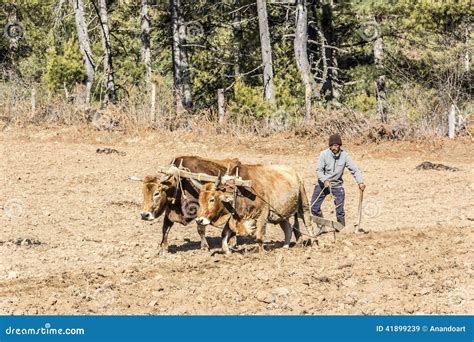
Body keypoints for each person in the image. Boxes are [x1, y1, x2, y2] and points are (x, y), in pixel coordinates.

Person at [310, 134, 366, 232]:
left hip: (337, 185)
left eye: (337, 145)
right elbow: (319, 170)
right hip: (322, 184)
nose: (335, 147)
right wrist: (325, 180)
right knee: (314, 207)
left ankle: (341, 229)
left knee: (340, 210)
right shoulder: (323, 154)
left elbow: (355, 170)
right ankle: (321, 227)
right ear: (330, 146)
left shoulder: (345, 156)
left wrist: (360, 182)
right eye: (333, 145)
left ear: (340, 146)